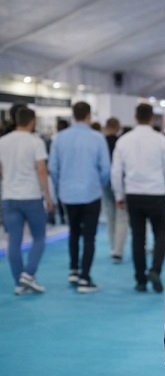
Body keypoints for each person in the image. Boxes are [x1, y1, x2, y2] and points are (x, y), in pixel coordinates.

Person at [111, 103, 165, 293]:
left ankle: (140, 280)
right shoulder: (161, 140)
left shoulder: (123, 141)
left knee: (137, 238)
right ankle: (155, 269)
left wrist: (119, 195)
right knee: (161, 235)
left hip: (133, 195)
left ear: (135, 117)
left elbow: (116, 172)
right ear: (151, 118)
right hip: (156, 194)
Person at [49, 101, 111, 293]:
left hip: (68, 194)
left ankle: (73, 270)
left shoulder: (59, 138)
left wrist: (61, 185)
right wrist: (100, 184)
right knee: (89, 237)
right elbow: (105, 168)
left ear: (73, 115)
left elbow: (53, 168)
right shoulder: (97, 138)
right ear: (89, 115)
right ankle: (85, 278)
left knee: (73, 232)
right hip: (91, 192)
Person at [0, 107, 53, 295]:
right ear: (32, 121)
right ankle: (29, 274)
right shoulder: (36, 142)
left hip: (9, 197)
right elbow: (41, 170)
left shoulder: (3, 141)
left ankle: (19, 283)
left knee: (14, 240)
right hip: (31, 196)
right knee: (39, 237)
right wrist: (48, 196)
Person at [102, 117, 129, 263]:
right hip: (121, 183)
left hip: (106, 183)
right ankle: (118, 251)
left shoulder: (101, 142)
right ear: (118, 128)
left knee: (110, 216)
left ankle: (113, 247)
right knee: (121, 217)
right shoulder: (122, 143)